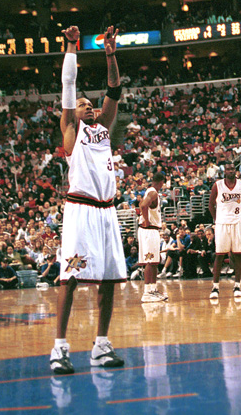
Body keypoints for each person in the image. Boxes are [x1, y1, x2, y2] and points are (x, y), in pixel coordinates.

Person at [50, 25, 126, 376]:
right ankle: (60, 348)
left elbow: (115, 89)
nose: (89, 106)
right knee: (71, 277)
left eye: (91, 104)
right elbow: (68, 86)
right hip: (80, 210)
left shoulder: (104, 130)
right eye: (83, 104)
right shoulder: (71, 130)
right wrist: (71, 46)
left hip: (107, 212)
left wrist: (110, 53)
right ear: (72, 112)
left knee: (109, 279)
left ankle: (100, 345)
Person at [208, 161, 241, 301]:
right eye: (228, 169)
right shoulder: (218, 185)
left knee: (238, 255)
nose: (231, 171)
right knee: (219, 255)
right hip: (222, 223)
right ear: (224, 171)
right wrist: (216, 219)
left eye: (233, 169)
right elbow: (210, 204)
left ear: (236, 170)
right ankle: (215, 287)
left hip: (237, 222)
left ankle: (237, 285)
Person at [138, 171, 168, 303]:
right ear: (161, 182)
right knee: (150, 261)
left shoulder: (150, 191)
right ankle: (147, 292)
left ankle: (153, 289)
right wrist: (146, 220)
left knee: (154, 261)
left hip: (150, 230)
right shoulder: (153, 192)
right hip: (148, 230)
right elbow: (143, 205)